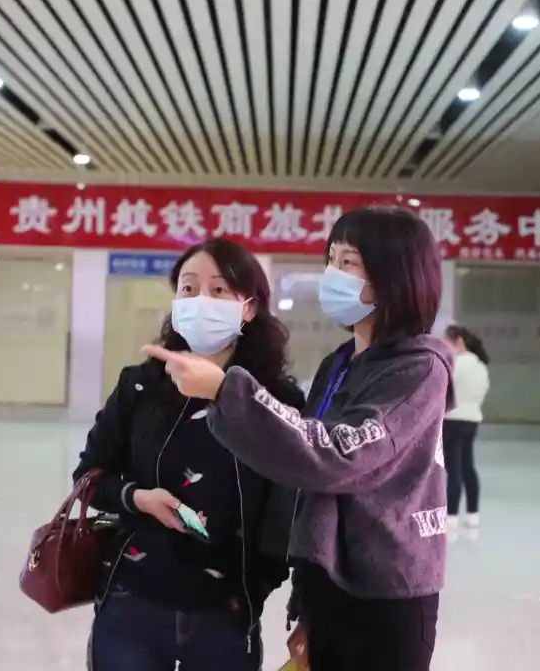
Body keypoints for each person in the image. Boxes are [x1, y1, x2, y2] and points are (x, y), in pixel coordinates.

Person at [145, 207, 455, 671]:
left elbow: (336, 455)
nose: (332, 274)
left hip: (387, 592)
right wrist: (307, 601)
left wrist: (226, 389)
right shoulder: (340, 363)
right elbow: (301, 466)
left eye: (348, 263)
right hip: (330, 584)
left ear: (393, 275)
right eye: (331, 260)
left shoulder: (419, 369)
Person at [75, 238, 305, 671]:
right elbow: (90, 476)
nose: (201, 300)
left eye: (219, 290)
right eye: (189, 288)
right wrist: (138, 498)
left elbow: (285, 513)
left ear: (249, 308)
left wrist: (252, 590)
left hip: (224, 614)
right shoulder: (141, 386)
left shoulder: (275, 400)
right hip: (132, 601)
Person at [443, 325, 490, 530]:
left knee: (453, 468)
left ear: (458, 341)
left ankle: (451, 515)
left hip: (452, 419)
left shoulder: (456, 363)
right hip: (472, 419)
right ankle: (473, 513)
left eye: (447, 342)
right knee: (468, 466)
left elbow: (444, 388)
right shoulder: (481, 366)